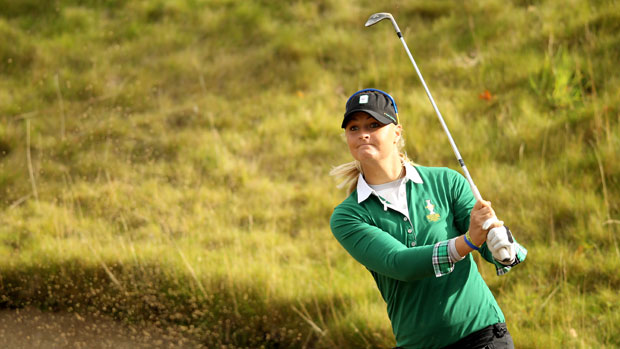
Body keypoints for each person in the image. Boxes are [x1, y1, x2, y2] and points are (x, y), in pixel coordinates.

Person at [329, 89, 527, 348]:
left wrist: (503, 246)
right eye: (353, 128)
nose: (363, 133)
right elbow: (399, 263)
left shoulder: (446, 181)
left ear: (397, 132)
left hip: (482, 335)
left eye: (374, 125)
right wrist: (467, 242)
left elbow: (493, 249)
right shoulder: (348, 216)